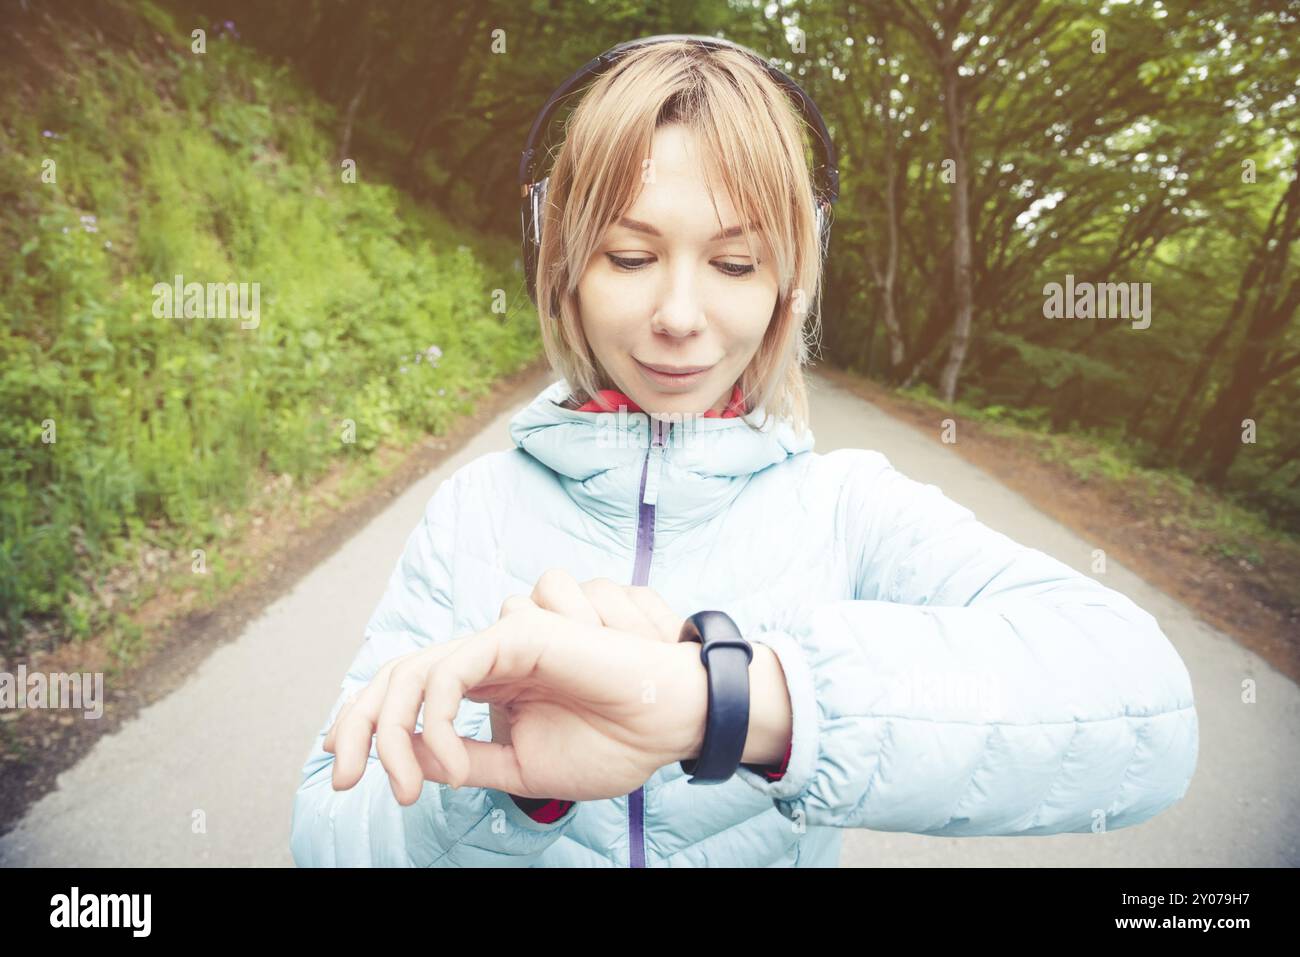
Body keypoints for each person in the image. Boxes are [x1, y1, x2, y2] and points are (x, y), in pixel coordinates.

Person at [289, 38, 1198, 868]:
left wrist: (719, 702)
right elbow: (324, 826)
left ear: (788, 285)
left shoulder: (849, 510)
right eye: (629, 255)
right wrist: (508, 787)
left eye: (734, 264)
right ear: (562, 264)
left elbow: (1143, 709)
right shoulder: (471, 511)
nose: (680, 315)